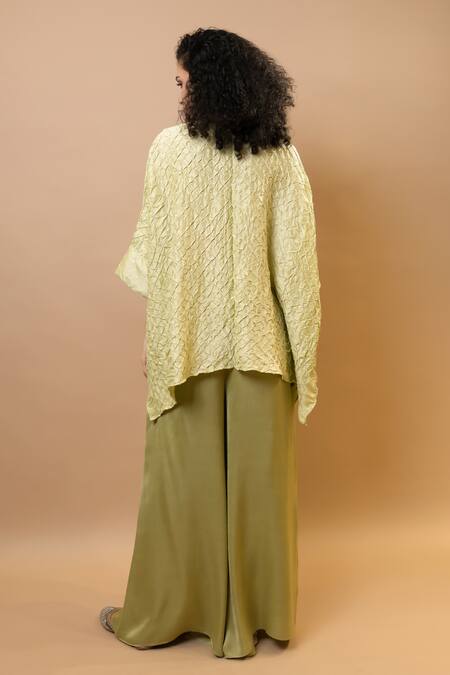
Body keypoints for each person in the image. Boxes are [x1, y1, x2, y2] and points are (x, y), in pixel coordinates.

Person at [99, 27, 321, 659]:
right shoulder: (281, 157)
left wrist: (161, 339)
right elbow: (298, 270)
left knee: (179, 493)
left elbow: (159, 253)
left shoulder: (168, 151)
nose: (178, 94)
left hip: (187, 347)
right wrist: (304, 361)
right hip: (261, 350)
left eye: (182, 82)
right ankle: (255, 622)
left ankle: (163, 615)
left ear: (206, 84)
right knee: (259, 495)